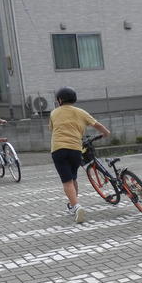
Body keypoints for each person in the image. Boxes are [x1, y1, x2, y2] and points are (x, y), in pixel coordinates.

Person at [49, 86, 111, 223]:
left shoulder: (54, 113)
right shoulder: (81, 112)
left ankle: (76, 206)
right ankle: (73, 205)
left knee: (67, 181)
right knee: (73, 178)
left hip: (58, 149)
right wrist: (106, 132)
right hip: (76, 149)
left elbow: (52, 129)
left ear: (60, 100)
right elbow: (96, 124)